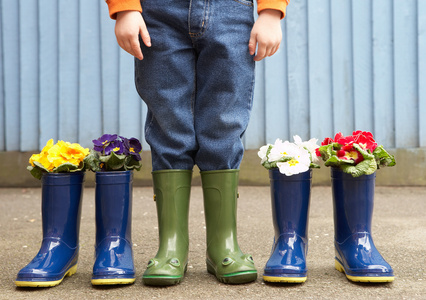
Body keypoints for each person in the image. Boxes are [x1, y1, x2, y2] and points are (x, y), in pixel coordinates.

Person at [105, 0, 289, 286]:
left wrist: (271, 11)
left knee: (224, 122)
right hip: (158, 12)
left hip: (230, 10)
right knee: (168, 123)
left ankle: (223, 245)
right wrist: (125, 7)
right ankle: (172, 247)